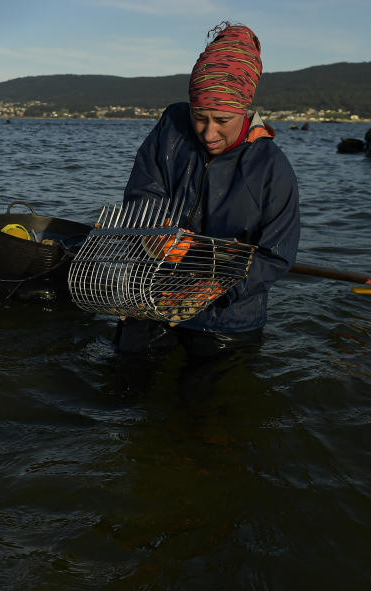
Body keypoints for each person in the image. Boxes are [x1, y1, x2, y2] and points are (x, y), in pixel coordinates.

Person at [116, 21, 300, 357]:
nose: (209, 132)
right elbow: (143, 192)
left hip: (227, 321)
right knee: (125, 392)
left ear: (244, 111)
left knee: (207, 406)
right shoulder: (171, 129)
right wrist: (153, 232)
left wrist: (216, 286)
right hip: (152, 298)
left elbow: (276, 254)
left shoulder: (272, 167)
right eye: (200, 117)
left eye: (222, 120)